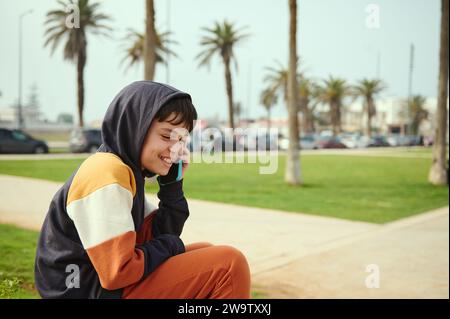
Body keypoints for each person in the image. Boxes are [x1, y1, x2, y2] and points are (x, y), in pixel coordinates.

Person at [34, 81, 251, 299]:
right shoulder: (106, 170)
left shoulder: (128, 172)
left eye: (182, 140)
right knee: (229, 264)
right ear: (134, 128)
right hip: (85, 291)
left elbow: (156, 235)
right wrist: (171, 245)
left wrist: (171, 185)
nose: (176, 149)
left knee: (206, 250)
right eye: (167, 136)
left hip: (97, 288)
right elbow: (117, 273)